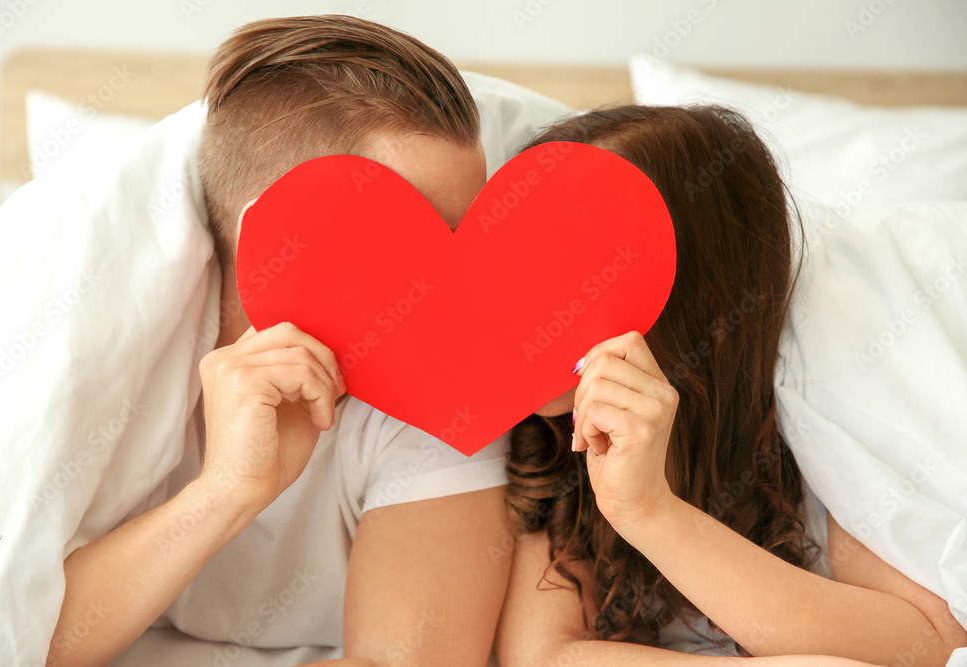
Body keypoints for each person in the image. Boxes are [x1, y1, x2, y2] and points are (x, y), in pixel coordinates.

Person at [47, 16, 514, 666]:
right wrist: (227, 490)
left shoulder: (445, 399)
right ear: (284, 234)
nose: (455, 285)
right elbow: (16, 638)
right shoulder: (80, 351)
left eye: (461, 238)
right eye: (412, 234)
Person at [496, 105, 967, 666]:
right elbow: (542, 657)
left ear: (687, 294)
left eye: (575, 268)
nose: (525, 307)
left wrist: (650, 512)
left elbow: (932, 645)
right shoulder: (545, 443)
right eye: (515, 260)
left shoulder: (807, 438)